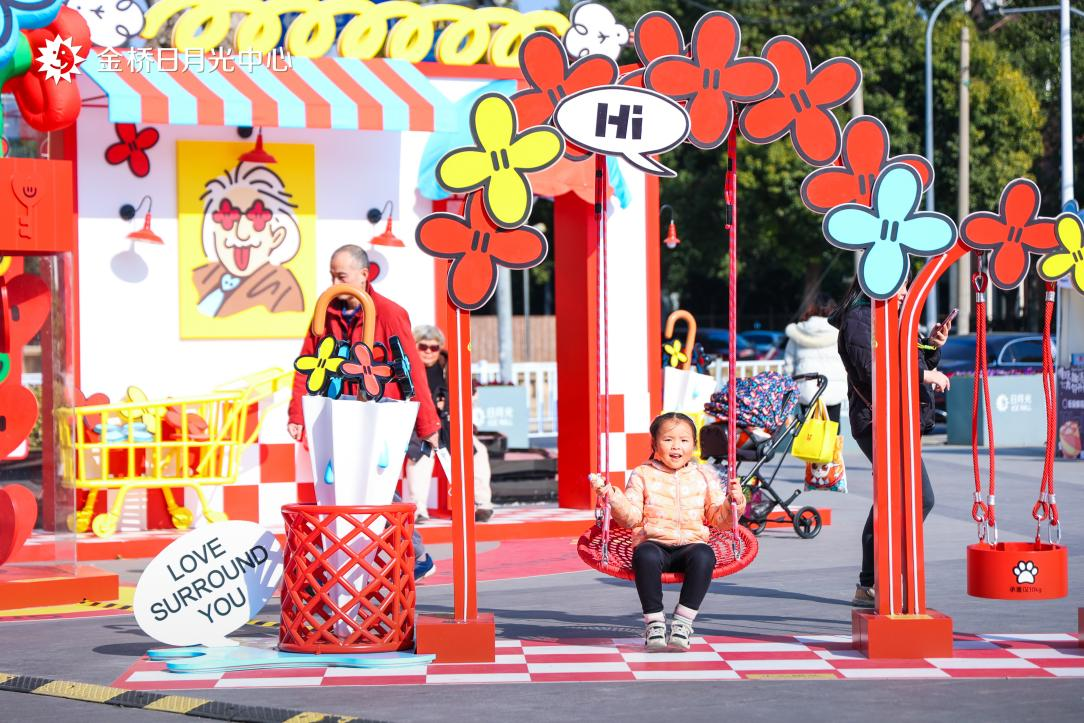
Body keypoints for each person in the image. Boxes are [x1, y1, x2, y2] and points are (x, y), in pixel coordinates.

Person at [287, 245, 442, 579]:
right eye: (332, 276)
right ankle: (352, 563)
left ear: (364, 275)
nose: (334, 283)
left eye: (341, 276)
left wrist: (427, 424)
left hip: (379, 415)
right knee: (346, 488)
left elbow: (413, 368)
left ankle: (410, 556)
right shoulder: (326, 312)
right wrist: (297, 414)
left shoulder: (388, 313)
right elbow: (307, 363)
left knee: (377, 488)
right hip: (339, 415)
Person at [830, 278, 951, 608]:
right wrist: (924, 376)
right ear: (875, 280)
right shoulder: (859, 318)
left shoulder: (896, 316)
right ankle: (877, 575)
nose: (904, 291)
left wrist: (932, 346)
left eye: (906, 284)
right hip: (877, 421)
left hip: (901, 419)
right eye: (897, 283)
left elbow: (915, 361)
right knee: (916, 498)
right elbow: (872, 371)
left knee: (895, 499)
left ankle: (870, 580)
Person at [589, 413, 745, 651]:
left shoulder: (704, 475)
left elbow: (719, 520)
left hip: (690, 545)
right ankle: (654, 623)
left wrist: (735, 502)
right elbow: (631, 518)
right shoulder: (643, 474)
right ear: (654, 444)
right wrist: (612, 497)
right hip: (655, 543)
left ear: (694, 445)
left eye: (684, 440)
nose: (676, 446)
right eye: (668, 440)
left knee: (705, 555)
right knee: (645, 555)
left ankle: (683, 622)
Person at [405, 325, 449, 523]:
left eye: (434, 347)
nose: (429, 351)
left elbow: (467, 389)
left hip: (445, 421)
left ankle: (479, 504)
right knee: (422, 453)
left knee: (475, 451)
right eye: (423, 347)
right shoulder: (406, 365)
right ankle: (418, 508)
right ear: (415, 346)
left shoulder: (448, 365)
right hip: (416, 422)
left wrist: (446, 402)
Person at [782, 292, 847, 423]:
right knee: (832, 429)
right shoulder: (839, 333)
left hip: (806, 391)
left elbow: (788, 367)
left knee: (807, 430)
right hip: (834, 390)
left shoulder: (797, 333)